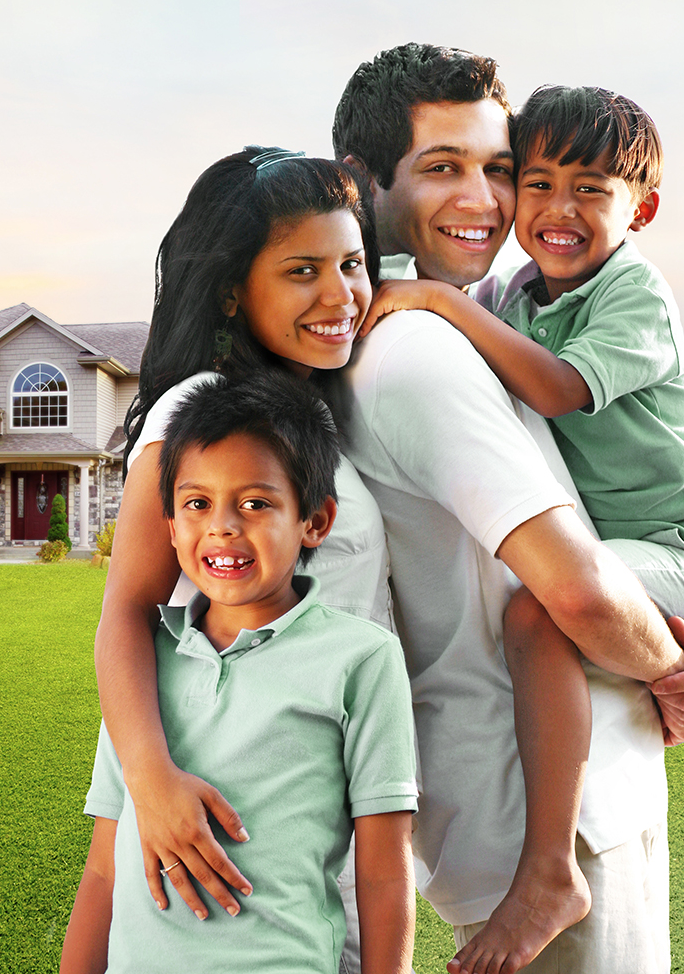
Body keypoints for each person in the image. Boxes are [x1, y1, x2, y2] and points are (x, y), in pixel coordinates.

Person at [332, 42, 684, 974]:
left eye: (496, 168)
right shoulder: (423, 342)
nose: (497, 201)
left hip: (604, 772)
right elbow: (579, 599)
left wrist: (680, 650)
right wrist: (678, 658)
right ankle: (549, 874)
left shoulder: (487, 309)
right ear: (362, 181)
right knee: (542, 613)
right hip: (549, 826)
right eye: (443, 168)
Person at [89, 147, 399, 968]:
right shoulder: (199, 411)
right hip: (229, 799)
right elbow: (127, 610)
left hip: (315, 799)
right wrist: (151, 785)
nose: (341, 295)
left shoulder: (308, 407)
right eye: (303, 270)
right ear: (233, 289)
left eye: (352, 263)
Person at [59, 373, 417, 974]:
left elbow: (383, 873)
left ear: (315, 521)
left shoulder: (362, 658)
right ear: (170, 525)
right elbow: (101, 869)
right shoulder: (142, 669)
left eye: (255, 503)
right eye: (197, 504)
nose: (222, 526)